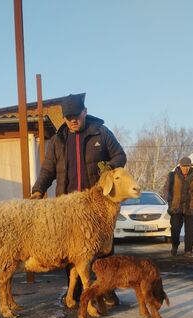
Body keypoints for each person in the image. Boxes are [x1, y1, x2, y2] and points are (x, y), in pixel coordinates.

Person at [31, 93, 127, 303]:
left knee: (103, 248)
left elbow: (120, 156)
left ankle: (107, 289)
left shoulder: (101, 133)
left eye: (76, 115)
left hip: (97, 205)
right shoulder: (58, 140)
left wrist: (109, 167)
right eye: (68, 117)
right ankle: (73, 290)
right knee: (70, 250)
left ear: (85, 111)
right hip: (69, 207)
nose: (73, 120)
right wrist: (38, 190)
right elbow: (47, 170)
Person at [163, 156, 193, 257]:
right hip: (176, 206)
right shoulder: (172, 176)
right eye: (184, 166)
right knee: (175, 229)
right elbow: (166, 188)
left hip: (191, 206)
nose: (186, 168)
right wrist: (169, 200)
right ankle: (174, 246)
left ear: (190, 166)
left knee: (190, 230)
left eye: (188, 166)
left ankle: (188, 251)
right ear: (180, 166)